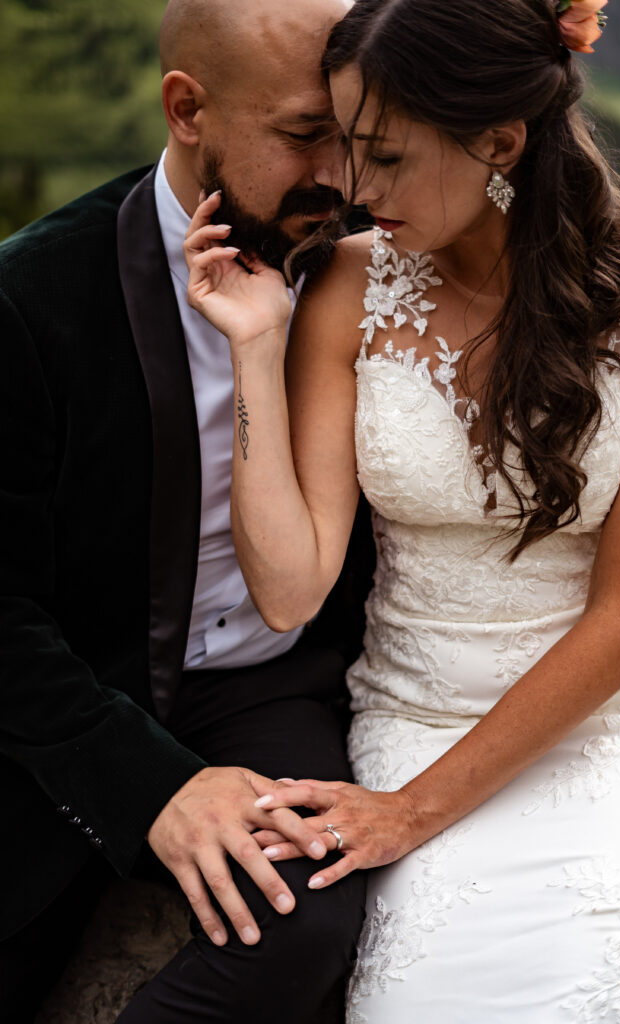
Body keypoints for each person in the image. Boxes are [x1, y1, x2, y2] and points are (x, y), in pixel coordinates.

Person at [184, 0, 620, 1020]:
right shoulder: (349, 286)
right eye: (344, 149)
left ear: (500, 140)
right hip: (408, 719)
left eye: (386, 157)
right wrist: (252, 350)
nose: (352, 191)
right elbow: (286, 589)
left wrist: (408, 816)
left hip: (613, 723)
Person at [0, 1, 374, 1021]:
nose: (342, 176)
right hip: (89, 684)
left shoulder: (384, 258)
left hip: (275, 682)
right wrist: (148, 786)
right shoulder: (31, 296)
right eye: (304, 135)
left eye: (356, 132)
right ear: (186, 109)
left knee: (305, 910)